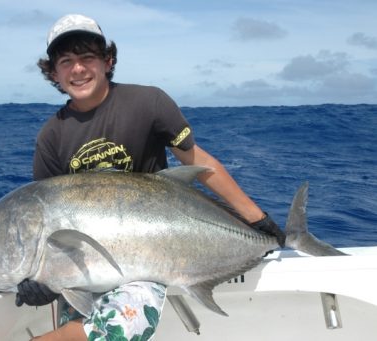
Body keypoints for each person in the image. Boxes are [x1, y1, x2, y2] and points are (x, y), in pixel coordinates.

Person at [15, 13, 285, 341]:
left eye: (87, 57)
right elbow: (44, 218)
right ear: (53, 72)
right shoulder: (52, 136)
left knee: (121, 327)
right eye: (66, 61)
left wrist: (258, 221)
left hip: (150, 255)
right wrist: (39, 277)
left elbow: (198, 162)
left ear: (107, 61)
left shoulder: (148, 103)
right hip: (82, 268)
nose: (78, 69)